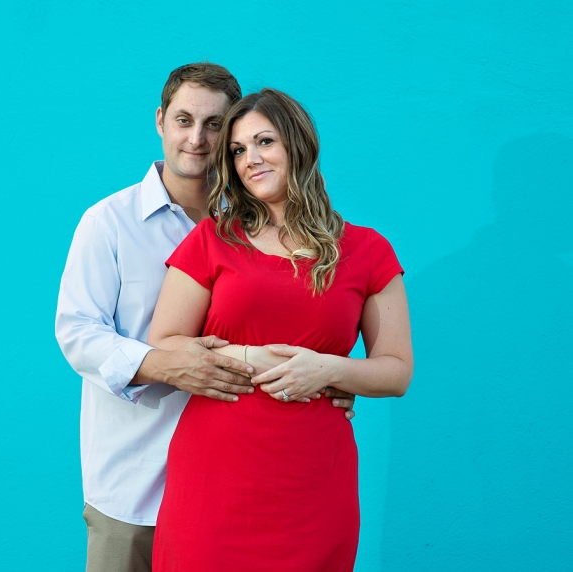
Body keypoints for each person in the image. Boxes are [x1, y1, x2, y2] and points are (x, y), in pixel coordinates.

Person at [55, 67, 356, 572]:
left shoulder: (261, 228)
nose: (197, 138)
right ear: (160, 121)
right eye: (183, 120)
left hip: (236, 481)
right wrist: (161, 364)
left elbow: (285, 329)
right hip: (135, 479)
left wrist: (331, 375)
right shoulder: (108, 221)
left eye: (215, 125)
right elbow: (77, 333)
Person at [147, 88, 413, 571]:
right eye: (238, 150)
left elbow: (396, 371)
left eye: (264, 142)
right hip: (215, 474)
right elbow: (163, 344)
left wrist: (327, 369)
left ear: (297, 145)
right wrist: (250, 359)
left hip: (313, 481)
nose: (250, 159)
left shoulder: (368, 250)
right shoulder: (213, 239)